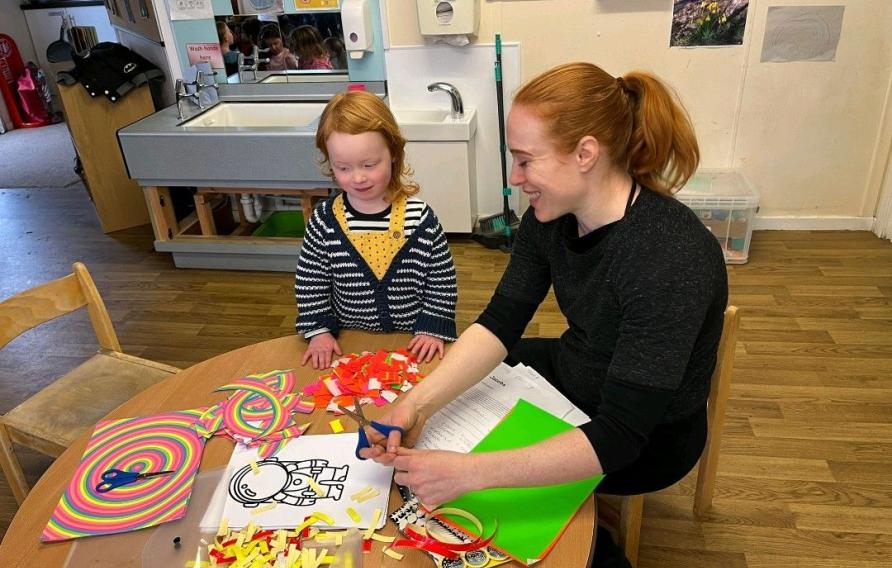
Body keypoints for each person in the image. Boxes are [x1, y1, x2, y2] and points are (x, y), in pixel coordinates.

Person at [362, 62, 728, 567]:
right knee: (452, 395)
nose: (514, 180)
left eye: (525, 161)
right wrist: (416, 404)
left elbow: (621, 436)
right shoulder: (550, 215)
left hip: (651, 436)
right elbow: (500, 321)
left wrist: (468, 472)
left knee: (478, 485)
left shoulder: (667, 256)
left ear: (585, 154)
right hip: (579, 373)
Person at [295, 90, 458, 369]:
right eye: (343, 167)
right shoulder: (324, 220)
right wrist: (319, 329)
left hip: (412, 342)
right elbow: (311, 282)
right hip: (348, 344)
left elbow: (441, 280)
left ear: (394, 153)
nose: (358, 177)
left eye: (370, 165)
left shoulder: (420, 219)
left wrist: (432, 326)